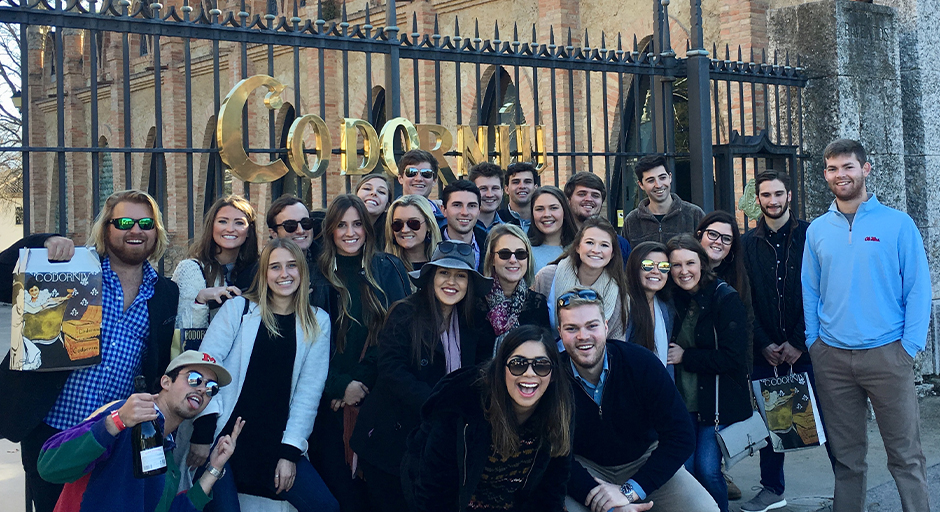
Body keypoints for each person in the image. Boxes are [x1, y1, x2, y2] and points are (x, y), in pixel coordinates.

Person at [0, 189, 179, 512]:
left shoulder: (166, 292)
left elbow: (157, 363)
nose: (135, 230)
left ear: (156, 231)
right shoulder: (70, 269)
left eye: (145, 223)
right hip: (54, 429)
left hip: (112, 432)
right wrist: (42, 243)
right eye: (124, 222)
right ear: (106, 228)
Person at [802, 139, 931, 512]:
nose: (840, 175)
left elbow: (918, 289)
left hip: (887, 355)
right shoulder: (819, 230)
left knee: (905, 456)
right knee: (847, 459)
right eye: (832, 168)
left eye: (848, 167)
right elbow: (810, 290)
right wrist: (814, 341)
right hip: (833, 358)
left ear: (865, 169)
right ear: (825, 173)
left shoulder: (897, 224)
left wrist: (909, 348)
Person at [190, 238, 337, 512]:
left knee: (325, 506)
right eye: (275, 267)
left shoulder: (317, 321)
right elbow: (204, 368)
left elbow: (309, 393)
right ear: (264, 274)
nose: (284, 274)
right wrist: (203, 432)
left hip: (275, 443)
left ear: (302, 272)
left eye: (292, 266)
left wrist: (289, 453)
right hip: (224, 439)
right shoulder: (239, 310)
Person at [351, 240, 496, 512]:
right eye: (444, 273)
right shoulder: (405, 312)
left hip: (441, 445)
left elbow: (482, 375)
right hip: (393, 440)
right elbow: (393, 371)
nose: (451, 282)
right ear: (430, 277)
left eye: (460, 275)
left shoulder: (475, 322)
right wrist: (439, 403)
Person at [557, 287, 717, 512]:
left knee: (705, 509)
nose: (583, 336)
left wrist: (629, 491)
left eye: (591, 326)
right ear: (560, 332)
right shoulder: (551, 377)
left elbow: (681, 435)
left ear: (605, 326)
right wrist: (609, 504)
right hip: (586, 470)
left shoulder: (640, 362)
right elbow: (553, 451)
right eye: (572, 328)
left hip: (643, 459)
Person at [37, 350, 239, 512]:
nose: (203, 389)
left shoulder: (168, 456)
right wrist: (115, 422)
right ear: (166, 382)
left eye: (212, 388)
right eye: (194, 379)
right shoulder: (124, 414)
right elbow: (49, 465)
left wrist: (213, 469)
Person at [308, 194, 410, 512]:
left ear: (367, 228)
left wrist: (359, 383)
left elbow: (399, 334)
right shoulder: (315, 276)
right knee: (343, 497)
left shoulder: (387, 268)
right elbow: (307, 346)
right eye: (341, 225)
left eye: (357, 224)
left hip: (378, 403)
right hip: (329, 407)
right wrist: (339, 386)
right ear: (330, 231)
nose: (350, 232)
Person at [403, 325, 573, 512]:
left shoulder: (559, 409)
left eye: (541, 366)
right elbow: (434, 494)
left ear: (553, 374)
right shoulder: (462, 405)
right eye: (518, 364)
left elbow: (551, 491)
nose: (530, 373)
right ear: (501, 368)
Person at [740, 170, 822, 512]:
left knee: (828, 419)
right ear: (756, 200)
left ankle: (848, 490)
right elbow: (744, 298)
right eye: (765, 195)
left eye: (778, 194)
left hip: (808, 346)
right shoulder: (746, 242)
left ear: (789, 195)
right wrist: (762, 343)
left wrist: (798, 341)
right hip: (767, 351)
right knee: (775, 423)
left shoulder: (812, 234)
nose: (772, 201)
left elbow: (822, 291)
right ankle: (773, 489)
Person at [666, 234, 750, 512]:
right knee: (685, 469)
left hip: (716, 401)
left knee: (707, 468)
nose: (683, 271)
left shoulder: (724, 298)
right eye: (675, 265)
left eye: (690, 263)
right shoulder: (672, 300)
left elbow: (734, 357)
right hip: (683, 401)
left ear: (702, 264)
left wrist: (685, 357)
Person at [531, 216, 629, 340]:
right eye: (589, 243)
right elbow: (532, 328)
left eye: (604, 245)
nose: (595, 250)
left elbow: (617, 342)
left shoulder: (620, 294)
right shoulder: (547, 278)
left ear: (612, 253)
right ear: (577, 246)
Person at [173, 195, 259, 333]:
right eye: (223, 221)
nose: (230, 229)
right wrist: (201, 300)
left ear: (249, 231)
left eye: (239, 223)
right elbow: (183, 330)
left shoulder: (256, 270)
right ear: (211, 226)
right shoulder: (191, 269)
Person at [695, 210, 754, 367]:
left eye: (726, 239)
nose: (718, 242)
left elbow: (747, 325)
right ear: (699, 235)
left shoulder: (738, 277)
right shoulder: (685, 273)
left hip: (726, 368)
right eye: (713, 234)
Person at [481, 224, 550, 350]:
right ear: (492, 259)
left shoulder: (537, 303)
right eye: (504, 253)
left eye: (520, 254)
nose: (513, 260)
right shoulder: (476, 302)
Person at [621, 155, 705, 245]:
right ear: (641, 185)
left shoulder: (694, 215)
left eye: (662, 177)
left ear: (670, 177)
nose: (658, 185)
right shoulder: (632, 221)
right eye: (650, 180)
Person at [623, 241, 676, 367]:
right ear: (634, 268)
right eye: (648, 265)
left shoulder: (666, 306)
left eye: (663, 266)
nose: (656, 271)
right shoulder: (624, 304)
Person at [563, 171, 631, 262]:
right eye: (582, 194)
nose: (588, 199)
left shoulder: (620, 244)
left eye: (595, 195)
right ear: (568, 200)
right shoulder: (556, 239)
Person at [384, 194, 443, 272]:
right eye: (398, 224)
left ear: (429, 225)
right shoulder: (383, 268)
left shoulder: (443, 266)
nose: (405, 230)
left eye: (413, 223)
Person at [527, 186, 578, 273]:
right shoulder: (524, 250)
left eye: (553, 208)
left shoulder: (579, 249)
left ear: (564, 211)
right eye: (540, 209)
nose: (546, 214)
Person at [440, 179, 488, 271]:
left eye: (472, 206)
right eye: (457, 205)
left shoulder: (491, 247)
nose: (465, 212)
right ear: (443, 210)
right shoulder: (429, 248)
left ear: (479, 211)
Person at [266, 194, 320, 265]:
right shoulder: (260, 273)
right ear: (274, 233)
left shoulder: (328, 266)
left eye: (305, 223)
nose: (301, 230)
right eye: (290, 225)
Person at [397, 148, 445, 224]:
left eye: (426, 173)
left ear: (434, 180)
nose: (418, 179)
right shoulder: (387, 217)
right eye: (411, 172)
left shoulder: (446, 220)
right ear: (400, 178)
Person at [355, 172, 392, 251]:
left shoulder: (390, 237)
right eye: (367, 188)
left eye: (381, 192)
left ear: (387, 207)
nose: (374, 193)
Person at [498, 162, 538, 230]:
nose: (522, 186)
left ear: (535, 188)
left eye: (527, 182)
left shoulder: (542, 220)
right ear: (506, 189)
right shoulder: (497, 220)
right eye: (516, 182)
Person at [468, 162, 507, 231]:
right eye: (483, 188)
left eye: (495, 188)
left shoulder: (508, 232)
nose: (489, 195)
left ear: (502, 191)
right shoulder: (459, 229)